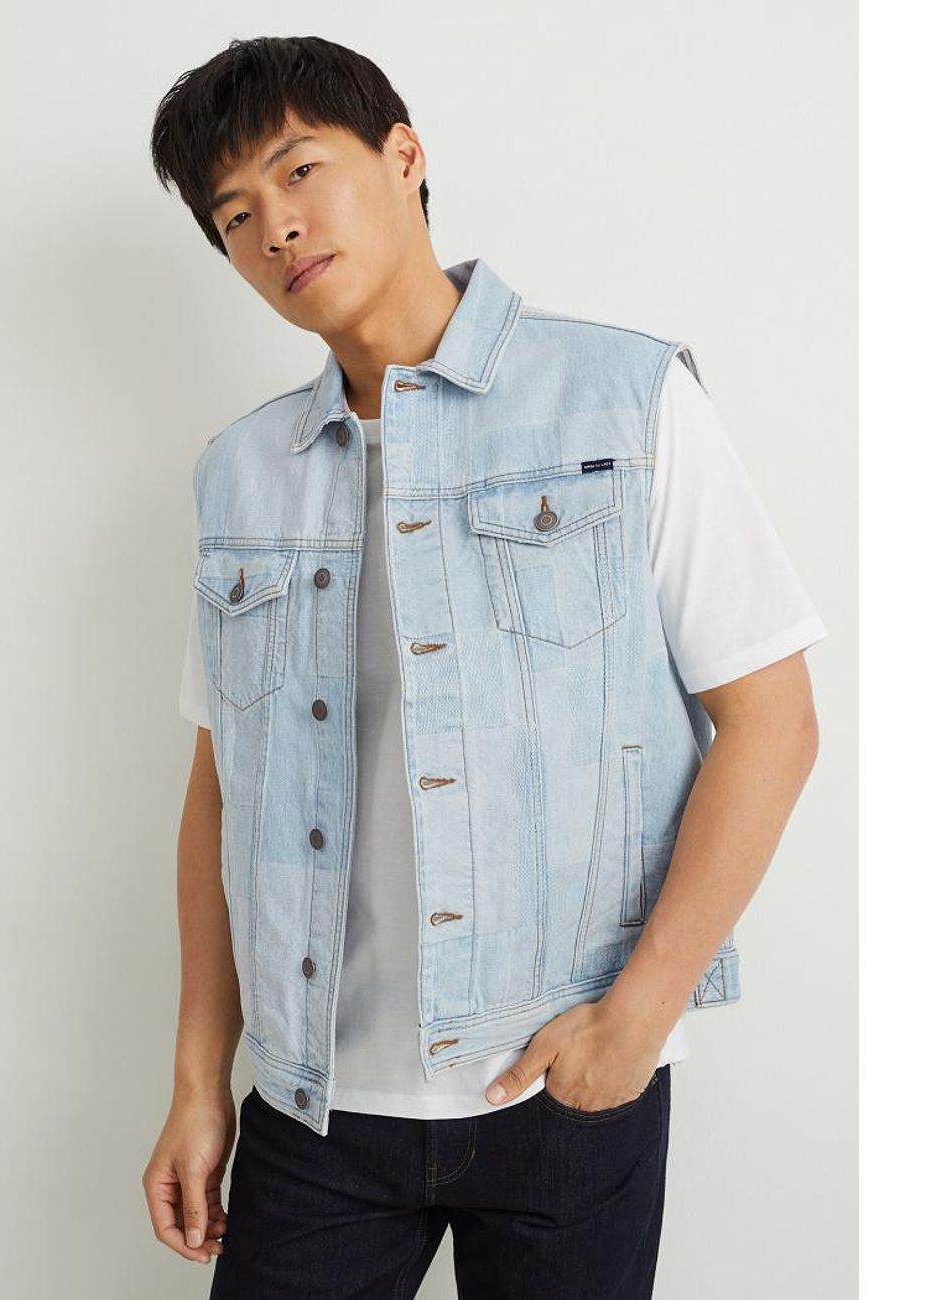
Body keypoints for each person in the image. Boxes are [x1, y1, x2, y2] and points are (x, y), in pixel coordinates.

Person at [142, 34, 829, 1300]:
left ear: (403, 156)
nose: (275, 228)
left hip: (563, 1083)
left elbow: (771, 720)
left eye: (300, 172)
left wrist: (637, 1017)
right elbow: (221, 791)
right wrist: (198, 1080)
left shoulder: (622, 399)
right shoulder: (241, 474)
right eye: (234, 216)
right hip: (314, 1102)